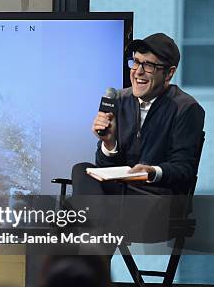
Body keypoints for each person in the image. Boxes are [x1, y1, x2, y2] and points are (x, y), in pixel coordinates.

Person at [71, 33, 205, 235]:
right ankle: (92, 232)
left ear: (169, 73)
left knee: (74, 222)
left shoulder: (186, 108)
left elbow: (184, 170)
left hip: (155, 201)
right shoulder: (119, 99)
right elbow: (105, 169)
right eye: (136, 62)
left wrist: (152, 171)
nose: (138, 72)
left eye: (149, 65)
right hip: (119, 201)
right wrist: (109, 144)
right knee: (82, 170)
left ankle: (90, 230)